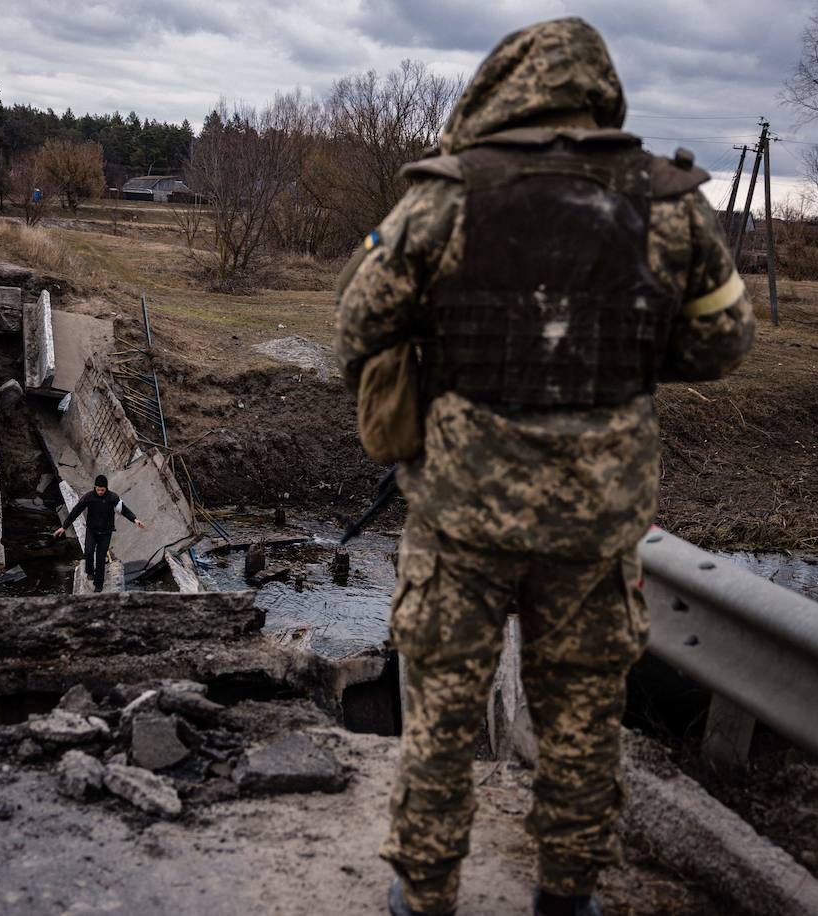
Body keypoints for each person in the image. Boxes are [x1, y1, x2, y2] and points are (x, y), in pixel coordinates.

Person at [335, 17, 756, 916]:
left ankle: (425, 896)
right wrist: (622, 363)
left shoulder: (444, 196)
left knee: (442, 719)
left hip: (460, 518)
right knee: (580, 725)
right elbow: (725, 340)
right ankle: (568, 897)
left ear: (498, 89)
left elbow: (357, 324)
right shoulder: (670, 200)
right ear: (599, 91)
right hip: (597, 523)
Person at [53, 474, 145, 592]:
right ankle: (90, 571)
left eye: (102, 490)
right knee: (89, 552)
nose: (100, 492)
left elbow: (124, 510)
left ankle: (98, 584)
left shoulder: (113, 497)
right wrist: (64, 527)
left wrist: (135, 520)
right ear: (94, 487)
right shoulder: (89, 497)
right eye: (98, 489)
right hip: (92, 531)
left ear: (106, 488)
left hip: (106, 533)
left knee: (101, 558)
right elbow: (76, 511)